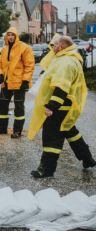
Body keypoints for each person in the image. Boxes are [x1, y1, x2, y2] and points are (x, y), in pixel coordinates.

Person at [28, 36, 96, 178]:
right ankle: (87, 158)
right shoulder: (69, 58)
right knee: (70, 131)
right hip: (66, 105)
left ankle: (47, 169)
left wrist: (51, 106)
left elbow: (61, 87)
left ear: (62, 47)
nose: (53, 48)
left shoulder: (65, 62)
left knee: (51, 137)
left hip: (60, 106)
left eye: (55, 46)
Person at [0, 27, 35, 138]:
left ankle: (17, 131)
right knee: (2, 105)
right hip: (6, 83)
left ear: (16, 36)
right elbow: (1, 65)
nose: (10, 37)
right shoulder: (4, 49)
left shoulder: (25, 48)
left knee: (18, 107)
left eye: (12, 35)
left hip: (19, 83)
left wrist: (26, 81)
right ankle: (1, 128)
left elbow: (29, 66)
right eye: (9, 35)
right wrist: (0, 74)